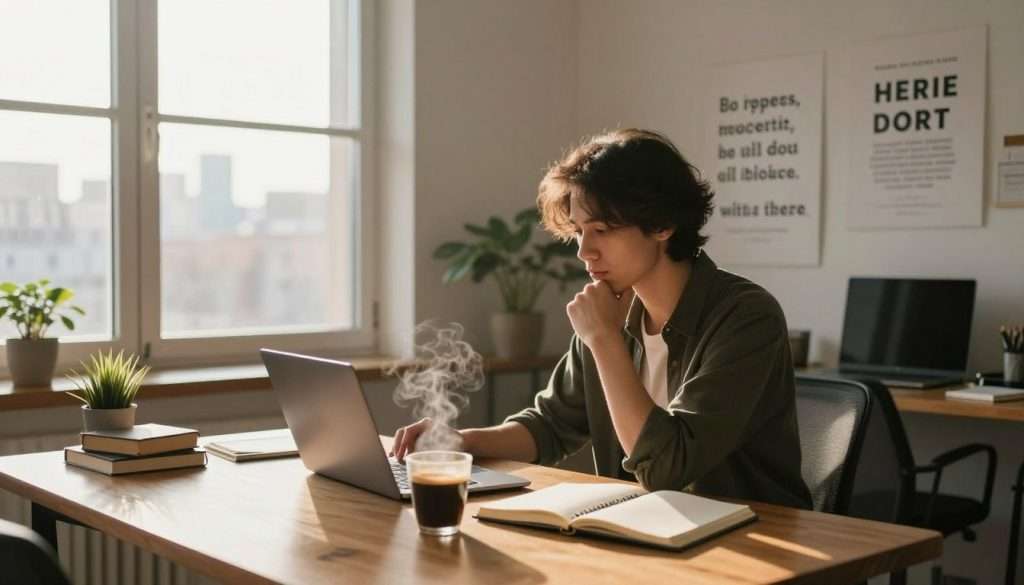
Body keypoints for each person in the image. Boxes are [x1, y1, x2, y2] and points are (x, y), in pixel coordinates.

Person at [392, 128, 812, 509]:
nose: (583, 251)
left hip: (751, 540)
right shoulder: (612, 311)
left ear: (663, 224)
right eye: (578, 231)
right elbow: (552, 425)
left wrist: (606, 341)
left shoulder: (744, 317)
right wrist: (459, 441)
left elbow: (668, 467)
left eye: (603, 230)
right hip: (646, 533)